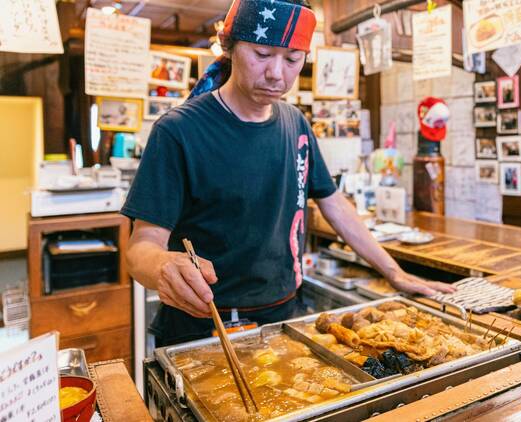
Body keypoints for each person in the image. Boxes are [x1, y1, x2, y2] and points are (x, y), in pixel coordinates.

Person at [122, 0, 455, 347]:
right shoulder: (179, 131)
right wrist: (163, 266)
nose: (277, 74)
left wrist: (394, 272)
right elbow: (141, 247)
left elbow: (334, 204)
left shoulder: (294, 122)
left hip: (282, 315)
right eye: (262, 54)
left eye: (292, 59)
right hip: (204, 324)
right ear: (230, 46)